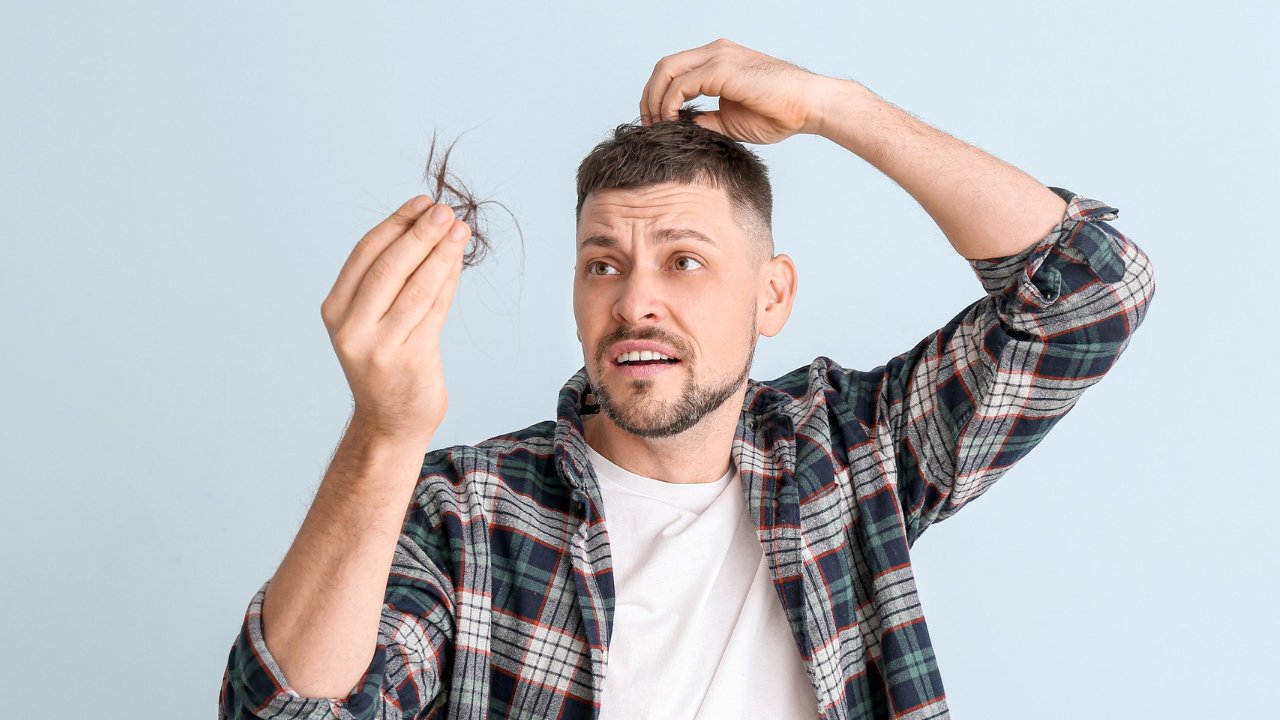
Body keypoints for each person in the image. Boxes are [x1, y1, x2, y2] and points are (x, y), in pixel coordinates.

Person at [218, 38, 1156, 720]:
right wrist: (385, 435)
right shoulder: (466, 513)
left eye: (686, 261)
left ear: (772, 294)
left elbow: (1091, 291)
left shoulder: (849, 458)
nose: (635, 305)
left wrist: (838, 106)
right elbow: (285, 715)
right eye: (603, 264)